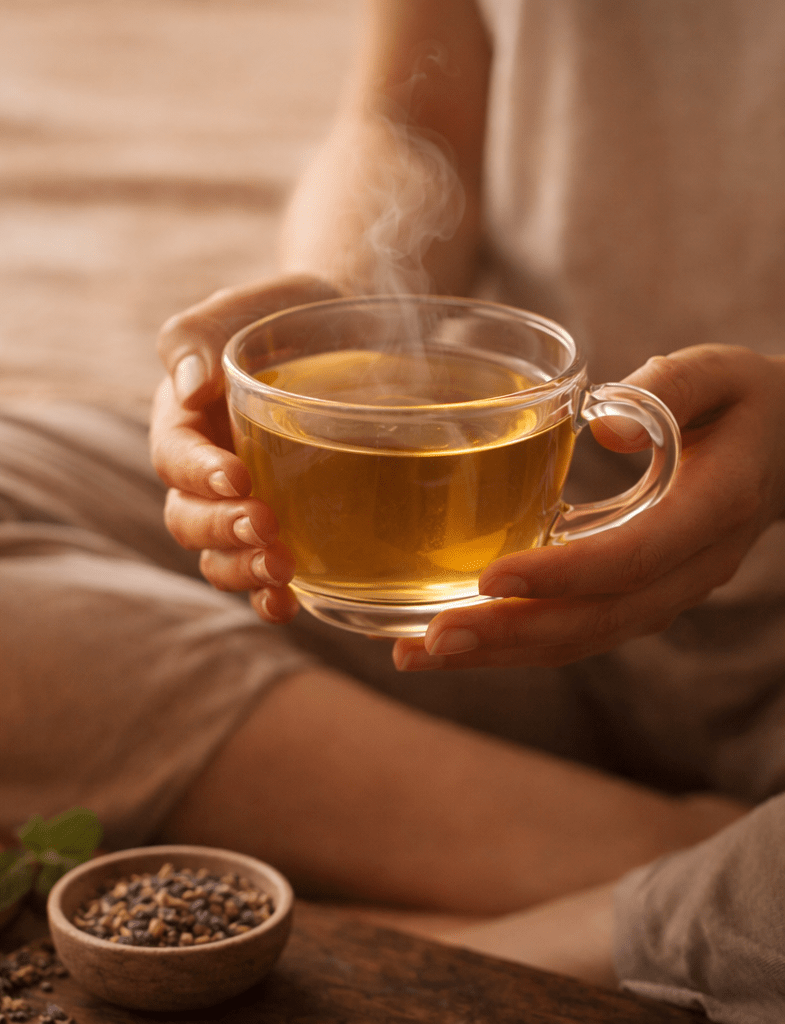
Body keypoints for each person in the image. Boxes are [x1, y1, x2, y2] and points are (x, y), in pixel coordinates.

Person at [149, 0, 785, 1017]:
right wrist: (349, 302)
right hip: (486, 574)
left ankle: (556, 936)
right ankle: (682, 860)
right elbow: (410, 121)